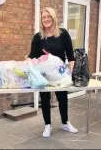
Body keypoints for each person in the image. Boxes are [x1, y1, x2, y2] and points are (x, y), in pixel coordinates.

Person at [26, 7, 78, 138]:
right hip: (44, 75)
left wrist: (71, 74)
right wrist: (25, 62)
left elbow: (71, 56)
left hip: (60, 75)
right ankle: (47, 125)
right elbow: (32, 55)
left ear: (53, 17)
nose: (46, 19)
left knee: (62, 98)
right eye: (44, 17)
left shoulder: (63, 34)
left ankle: (65, 123)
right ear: (41, 20)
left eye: (48, 16)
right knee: (45, 98)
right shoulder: (38, 37)